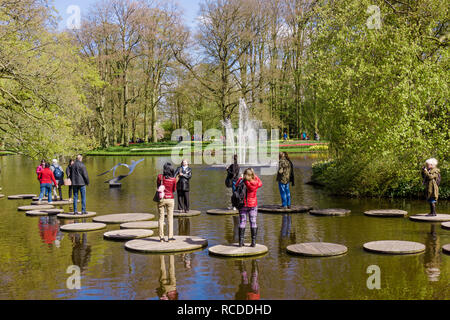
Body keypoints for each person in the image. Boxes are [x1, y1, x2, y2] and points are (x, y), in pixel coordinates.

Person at [235, 168, 262, 247]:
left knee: (242, 222)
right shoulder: (255, 183)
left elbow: (236, 185)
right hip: (253, 205)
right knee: (253, 222)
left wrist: (241, 177)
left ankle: (241, 242)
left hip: (243, 205)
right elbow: (260, 183)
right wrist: (255, 176)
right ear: (252, 175)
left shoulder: (242, 181)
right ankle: (253, 242)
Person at [157, 163, 178, 242]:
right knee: (170, 218)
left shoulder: (160, 177)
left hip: (161, 199)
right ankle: (170, 237)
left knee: (161, 218)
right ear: (171, 169)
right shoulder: (173, 179)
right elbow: (174, 190)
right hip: (170, 199)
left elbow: (158, 187)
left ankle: (161, 238)